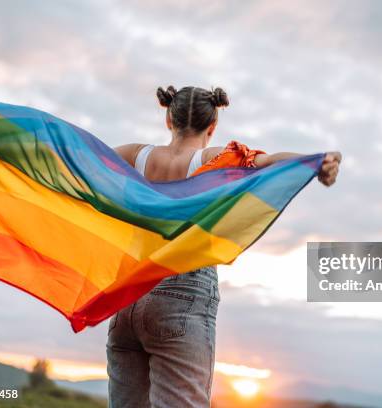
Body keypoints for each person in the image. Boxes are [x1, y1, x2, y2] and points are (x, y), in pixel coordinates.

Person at [107, 85, 341, 408]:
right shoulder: (216, 159)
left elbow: (79, 156)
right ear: (213, 125)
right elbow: (271, 162)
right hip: (181, 302)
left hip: (126, 300)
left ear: (168, 119)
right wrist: (318, 162)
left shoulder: (136, 155)